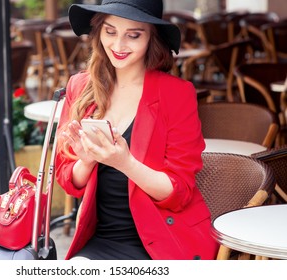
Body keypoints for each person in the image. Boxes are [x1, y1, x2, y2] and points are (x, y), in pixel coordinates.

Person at [55, 0, 219, 260]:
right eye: (110, 32)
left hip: (165, 242)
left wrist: (125, 163)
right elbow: (67, 179)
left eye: (133, 35)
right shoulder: (80, 86)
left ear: (152, 37)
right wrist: (85, 163)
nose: (119, 46)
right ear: (99, 32)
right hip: (101, 240)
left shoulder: (176, 94)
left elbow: (179, 193)